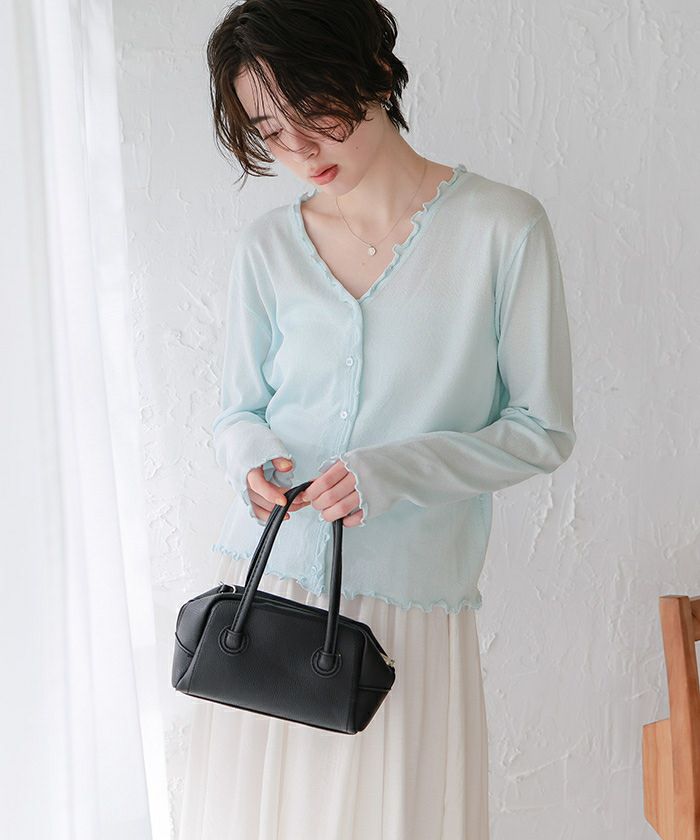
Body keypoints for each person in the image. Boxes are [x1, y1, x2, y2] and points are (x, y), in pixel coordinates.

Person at [178, 1, 576, 838]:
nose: (298, 149)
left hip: (407, 606)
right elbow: (238, 410)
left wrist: (392, 472)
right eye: (268, 130)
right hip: (267, 598)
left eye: (312, 111)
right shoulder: (268, 247)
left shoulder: (502, 229)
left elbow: (542, 430)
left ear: (378, 75)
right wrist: (249, 457)